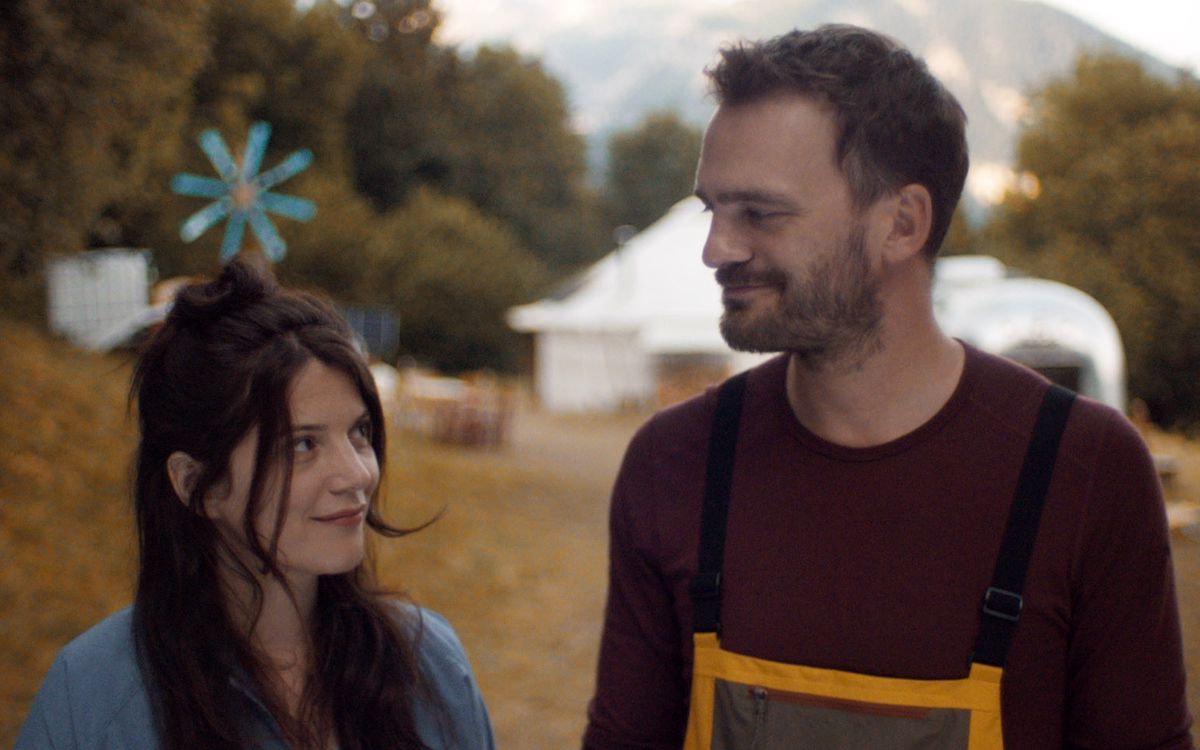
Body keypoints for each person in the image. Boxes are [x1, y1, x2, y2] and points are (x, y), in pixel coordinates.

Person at [583, 24, 1193, 749]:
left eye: (761, 213)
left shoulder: (1083, 470)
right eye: (711, 208)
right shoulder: (674, 462)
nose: (717, 248)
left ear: (901, 224)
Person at [16, 258, 495, 749]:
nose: (357, 473)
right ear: (196, 484)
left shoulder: (429, 664)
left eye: (360, 433)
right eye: (302, 445)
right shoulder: (94, 697)